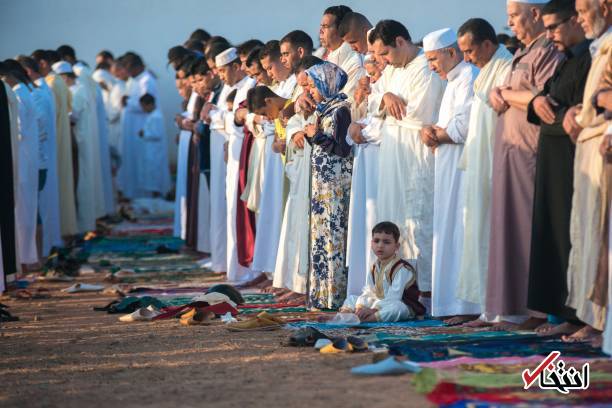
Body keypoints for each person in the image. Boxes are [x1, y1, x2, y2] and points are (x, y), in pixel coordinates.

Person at [486, 0, 563, 330]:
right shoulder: (524, 51)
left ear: (535, 14)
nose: (510, 23)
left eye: (515, 16)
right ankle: (515, 308)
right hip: (510, 152)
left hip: (530, 150)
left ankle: (536, 311)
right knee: (509, 227)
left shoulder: (549, 49)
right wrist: (496, 92)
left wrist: (507, 93)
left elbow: (544, 97)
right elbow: (511, 92)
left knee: (529, 228)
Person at [526, 0, 592, 336]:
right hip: (553, 161)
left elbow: (580, 115)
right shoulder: (566, 61)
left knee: (576, 237)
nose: (549, 34)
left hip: (577, 163)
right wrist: (537, 101)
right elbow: (546, 102)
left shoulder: (592, 57)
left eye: (554, 27)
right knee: (554, 235)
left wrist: (554, 111)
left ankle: (582, 317)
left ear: (577, 21)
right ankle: (564, 313)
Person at [369, 20, 445, 310]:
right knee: (394, 217)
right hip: (392, 153)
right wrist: (386, 96)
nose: (383, 61)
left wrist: (388, 106)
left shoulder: (425, 68)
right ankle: (394, 288)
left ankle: (422, 291)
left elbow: (416, 114)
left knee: (418, 219)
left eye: (385, 53)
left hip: (415, 153)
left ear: (400, 41)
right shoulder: (391, 69)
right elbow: (377, 99)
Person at [454, 18, 514, 327]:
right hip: (479, 165)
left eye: (469, 51)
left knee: (495, 232)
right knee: (478, 232)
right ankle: (487, 309)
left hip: (496, 163)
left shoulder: (506, 67)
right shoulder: (486, 71)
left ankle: (503, 310)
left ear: (487, 45)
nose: (466, 58)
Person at [421, 28, 480, 322]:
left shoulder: (468, 77)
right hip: (448, 168)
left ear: (452, 53)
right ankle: (451, 306)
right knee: (448, 231)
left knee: (461, 233)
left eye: (433, 59)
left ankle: (465, 307)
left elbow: (462, 128)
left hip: (462, 169)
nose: (430, 65)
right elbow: (448, 125)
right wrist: (432, 130)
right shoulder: (453, 79)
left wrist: (434, 134)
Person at [562, 0, 611, 343]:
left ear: (606, 7)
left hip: (603, 147)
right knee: (587, 234)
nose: (578, 18)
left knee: (600, 235)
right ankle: (590, 317)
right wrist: (581, 109)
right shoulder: (601, 46)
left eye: (583, 10)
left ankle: (599, 321)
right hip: (589, 146)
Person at [303, 61, 353, 310]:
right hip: (322, 187)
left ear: (326, 83)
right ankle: (320, 295)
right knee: (320, 238)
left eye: (313, 85)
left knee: (334, 238)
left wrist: (316, 136)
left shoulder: (341, 110)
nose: (310, 91)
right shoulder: (324, 109)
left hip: (335, 186)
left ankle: (334, 295)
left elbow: (343, 148)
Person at [273, 56, 323, 302]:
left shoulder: (326, 98)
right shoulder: (303, 101)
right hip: (302, 171)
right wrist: (295, 133)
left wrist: (306, 131)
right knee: (296, 226)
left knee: (310, 230)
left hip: (319, 174)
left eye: (308, 85)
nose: (305, 91)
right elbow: (293, 123)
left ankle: (309, 287)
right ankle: (297, 282)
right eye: (302, 86)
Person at [345, 51, 385, 297]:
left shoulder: (390, 83)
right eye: (369, 72)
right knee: (366, 219)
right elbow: (358, 123)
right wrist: (359, 100)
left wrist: (361, 129)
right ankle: (366, 283)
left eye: (375, 70)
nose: (372, 76)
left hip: (384, 160)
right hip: (367, 160)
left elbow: (383, 124)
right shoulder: (373, 88)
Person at [17, 56, 63, 258]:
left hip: (36, 160)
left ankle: (38, 256)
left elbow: (39, 128)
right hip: (36, 158)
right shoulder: (35, 92)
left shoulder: (34, 94)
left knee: (33, 211)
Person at [31, 49, 78, 238]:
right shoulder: (57, 82)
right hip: (59, 140)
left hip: (53, 144)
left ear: (43, 63)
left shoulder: (50, 84)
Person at [341, 222, 424, 322]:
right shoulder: (374, 267)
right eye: (376, 241)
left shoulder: (402, 268)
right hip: (378, 303)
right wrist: (360, 307)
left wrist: (373, 310)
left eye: (386, 242)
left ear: (397, 246)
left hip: (402, 305)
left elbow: (394, 297)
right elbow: (369, 291)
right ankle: (343, 317)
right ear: (371, 244)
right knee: (352, 298)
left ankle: (363, 320)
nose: (380, 245)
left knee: (397, 308)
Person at [0, 62, 39, 268]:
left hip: (22, 159)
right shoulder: (24, 92)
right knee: (26, 208)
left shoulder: (18, 95)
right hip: (27, 158)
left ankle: (24, 258)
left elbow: (19, 131)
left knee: (22, 209)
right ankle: (25, 257)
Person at [55, 61, 98, 233]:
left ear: (64, 77)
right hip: (77, 141)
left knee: (82, 183)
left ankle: (82, 226)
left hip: (79, 142)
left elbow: (74, 116)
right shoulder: (77, 89)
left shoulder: (78, 90)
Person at [117, 52, 158, 199]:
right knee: (130, 161)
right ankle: (131, 193)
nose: (127, 73)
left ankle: (141, 195)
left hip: (140, 126)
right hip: (130, 128)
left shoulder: (147, 80)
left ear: (136, 67)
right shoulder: (134, 80)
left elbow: (147, 103)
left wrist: (128, 102)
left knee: (139, 162)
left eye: (128, 69)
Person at [320, 6, 365, 100]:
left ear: (341, 29)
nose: (320, 31)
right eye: (321, 26)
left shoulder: (355, 62)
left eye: (325, 26)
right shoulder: (325, 60)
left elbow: (347, 102)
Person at [138, 94, 171, 196]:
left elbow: (157, 134)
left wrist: (144, 133)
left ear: (150, 104)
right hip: (151, 150)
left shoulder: (156, 117)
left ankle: (157, 195)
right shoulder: (152, 115)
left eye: (143, 106)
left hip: (155, 152)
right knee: (151, 175)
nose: (142, 109)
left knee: (155, 175)